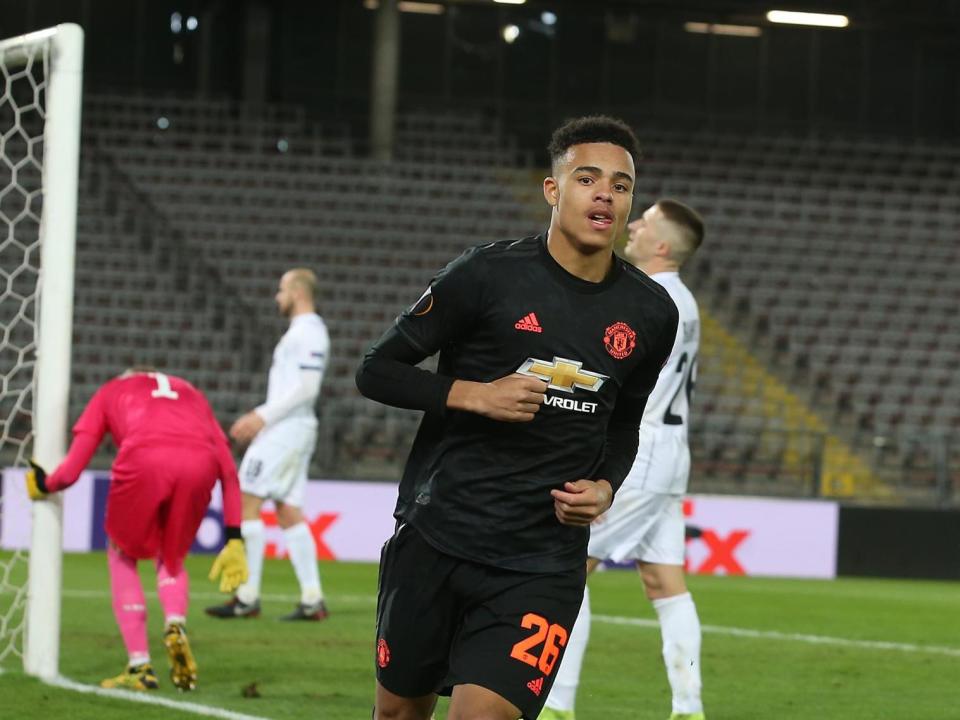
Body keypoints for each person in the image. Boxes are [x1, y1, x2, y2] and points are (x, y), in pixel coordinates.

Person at [355, 116, 679, 720]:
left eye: (621, 184)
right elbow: (376, 370)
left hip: (542, 560)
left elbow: (625, 422)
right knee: (398, 713)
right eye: (587, 178)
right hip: (438, 535)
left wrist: (606, 485)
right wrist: (472, 395)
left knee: (485, 716)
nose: (605, 193)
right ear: (553, 190)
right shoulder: (486, 275)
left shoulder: (651, 313)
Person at [539, 199, 706, 720]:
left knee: (568, 564)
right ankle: (688, 708)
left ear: (661, 246)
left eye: (645, 222)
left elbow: (622, 383)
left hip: (646, 449)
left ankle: (558, 704)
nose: (632, 225)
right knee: (664, 581)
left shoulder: (656, 303)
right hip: (672, 453)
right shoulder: (686, 303)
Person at [25, 369, 247, 692]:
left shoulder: (110, 391)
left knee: (122, 552)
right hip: (201, 465)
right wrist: (234, 537)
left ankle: (139, 665)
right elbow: (228, 472)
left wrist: (46, 483)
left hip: (145, 456)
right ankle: (175, 623)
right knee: (171, 557)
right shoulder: (191, 393)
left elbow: (72, 469)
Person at [206, 268, 331, 621]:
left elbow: (308, 388)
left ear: (296, 291)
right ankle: (312, 599)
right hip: (293, 428)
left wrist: (262, 416)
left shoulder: (309, 332)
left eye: (281, 290)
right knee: (288, 508)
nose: (277, 298)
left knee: (247, 496)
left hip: (285, 429)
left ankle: (247, 596)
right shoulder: (303, 332)